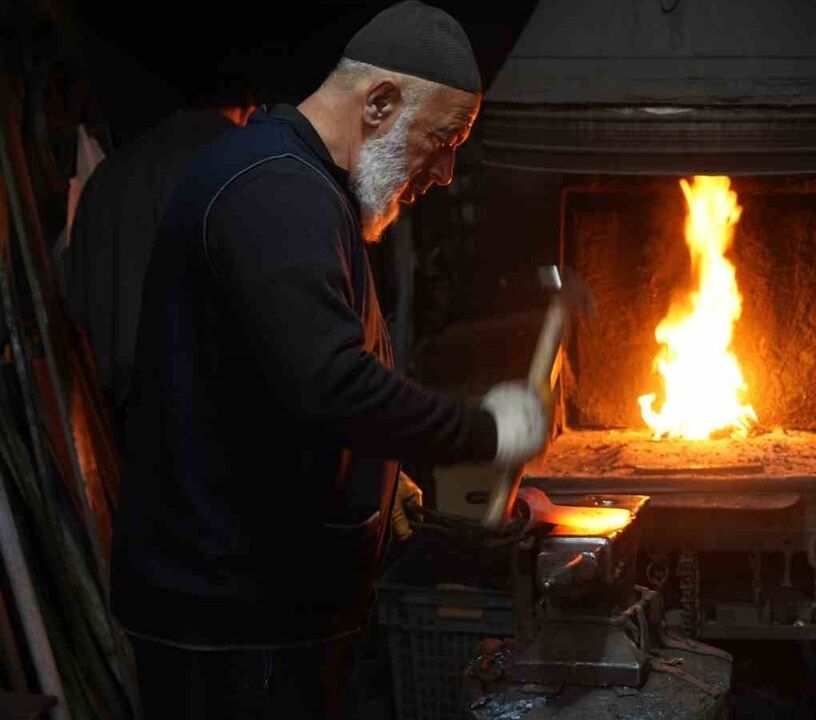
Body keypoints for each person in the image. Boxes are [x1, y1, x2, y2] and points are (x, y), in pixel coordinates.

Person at [108, 4, 549, 718]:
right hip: (234, 628)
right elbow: (332, 384)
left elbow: (282, 383)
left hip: (267, 615)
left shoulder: (305, 188)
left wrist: (388, 485)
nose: (445, 172)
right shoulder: (274, 191)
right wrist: (487, 430)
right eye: (442, 140)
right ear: (379, 103)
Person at [62, 79, 256, 440]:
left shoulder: (108, 175)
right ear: (248, 111)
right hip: (211, 419)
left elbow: (76, 300)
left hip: (117, 421)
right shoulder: (245, 168)